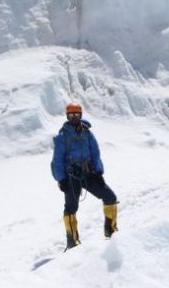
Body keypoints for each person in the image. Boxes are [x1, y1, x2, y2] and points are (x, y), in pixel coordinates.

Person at [50, 102, 118, 249]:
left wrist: (99, 171)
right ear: (67, 116)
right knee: (71, 208)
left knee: (110, 197)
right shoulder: (62, 136)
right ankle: (72, 242)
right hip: (71, 177)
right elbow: (57, 160)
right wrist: (61, 180)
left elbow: (95, 153)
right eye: (71, 115)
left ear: (80, 115)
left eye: (77, 115)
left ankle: (111, 231)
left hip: (88, 173)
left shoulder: (87, 133)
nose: (74, 118)